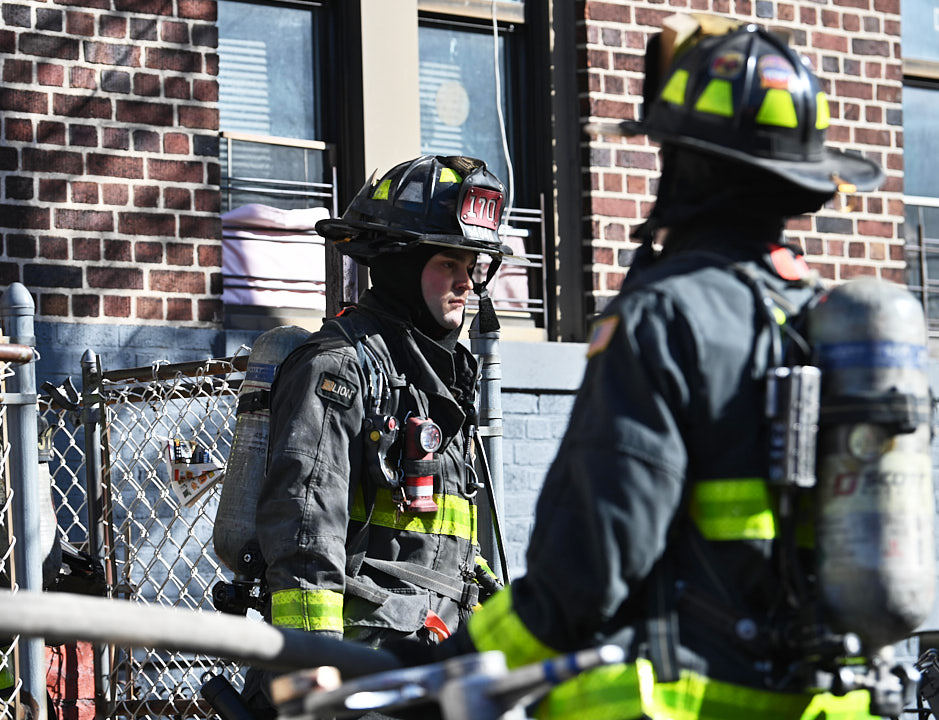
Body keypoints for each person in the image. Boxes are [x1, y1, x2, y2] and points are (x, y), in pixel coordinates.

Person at [420, 14, 895, 720]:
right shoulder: (825, 321)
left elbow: (588, 571)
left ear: (689, 165)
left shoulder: (665, 315)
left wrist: (443, 672)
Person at [245, 155, 514, 714]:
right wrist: (316, 681)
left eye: (473, 265)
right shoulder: (339, 367)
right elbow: (304, 537)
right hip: (361, 671)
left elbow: (441, 545)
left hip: (430, 662)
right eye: (448, 262)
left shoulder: (437, 380)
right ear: (400, 265)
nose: (466, 282)